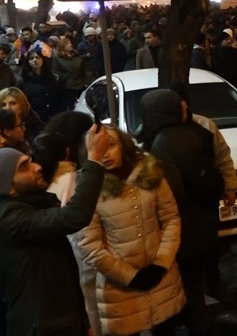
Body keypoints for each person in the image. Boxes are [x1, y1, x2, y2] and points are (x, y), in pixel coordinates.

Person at [76, 126, 185, 335]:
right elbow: (89, 246)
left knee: (166, 329)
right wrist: (130, 276)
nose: (105, 154)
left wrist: (161, 264)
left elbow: (171, 219)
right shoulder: (89, 189)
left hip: (161, 280)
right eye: (99, 149)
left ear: (124, 146)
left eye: (111, 146)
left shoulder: (150, 175)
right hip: (120, 289)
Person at [0, 125, 107, 336]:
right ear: (7, 187)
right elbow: (74, 216)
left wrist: (83, 321)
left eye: (29, 161)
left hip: (59, 322)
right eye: (24, 167)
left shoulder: (31, 204)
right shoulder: (9, 219)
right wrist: (94, 159)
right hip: (42, 327)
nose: (37, 167)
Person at [139, 88, 224, 336]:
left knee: (184, 291)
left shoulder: (160, 143)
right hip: (204, 223)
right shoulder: (198, 133)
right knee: (195, 288)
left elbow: (170, 192)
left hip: (180, 230)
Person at [20, 49, 65, 122]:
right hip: (37, 119)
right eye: (31, 58)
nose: (35, 60)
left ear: (42, 59)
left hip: (55, 117)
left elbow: (61, 96)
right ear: (28, 62)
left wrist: (60, 113)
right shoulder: (23, 81)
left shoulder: (52, 77)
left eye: (38, 57)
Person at [52, 37, 86, 110]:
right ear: (62, 46)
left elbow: (82, 67)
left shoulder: (75, 55)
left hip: (80, 84)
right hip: (68, 86)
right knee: (71, 105)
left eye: (70, 43)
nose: (70, 45)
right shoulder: (58, 57)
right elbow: (55, 71)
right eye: (67, 44)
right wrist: (64, 77)